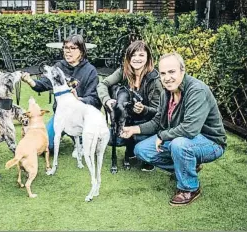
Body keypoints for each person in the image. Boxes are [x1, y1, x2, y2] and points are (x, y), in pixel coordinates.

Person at [121, 52, 226, 206]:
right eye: (163, 73)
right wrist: (134, 129)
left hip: (210, 142)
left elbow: (190, 129)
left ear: (182, 71)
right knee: (141, 150)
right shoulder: (167, 93)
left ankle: (189, 188)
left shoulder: (196, 90)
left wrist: (162, 136)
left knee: (179, 145)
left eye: (172, 72)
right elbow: (158, 121)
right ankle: (188, 166)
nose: (167, 77)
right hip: (181, 138)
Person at [21, 34, 101, 153]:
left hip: (80, 118)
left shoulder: (90, 71)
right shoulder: (59, 67)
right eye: (65, 48)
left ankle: (79, 138)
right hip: (61, 115)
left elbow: (94, 99)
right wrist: (30, 81)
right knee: (46, 147)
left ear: (82, 51)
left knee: (89, 150)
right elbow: (44, 84)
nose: (68, 52)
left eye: (72, 48)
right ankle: (65, 134)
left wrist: (79, 99)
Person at [96, 40, 163, 171]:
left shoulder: (155, 80)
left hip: (146, 123)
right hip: (126, 120)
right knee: (110, 139)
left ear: (148, 58)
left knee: (140, 143)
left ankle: (147, 154)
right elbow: (102, 84)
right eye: (133, 55)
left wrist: (144, 109)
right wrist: (107, 100)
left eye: (141, 55)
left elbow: (158, 111)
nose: (137, 59)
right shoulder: (123, 71)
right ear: (128, 57)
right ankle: (131, 148)